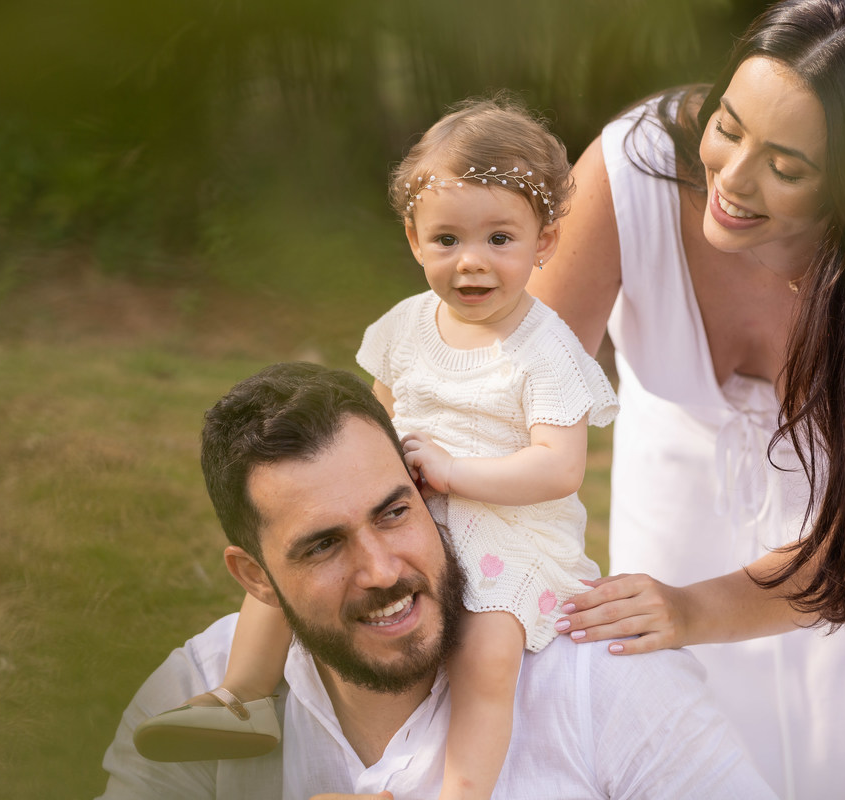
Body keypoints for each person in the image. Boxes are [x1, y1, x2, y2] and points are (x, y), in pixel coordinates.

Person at [529, 0, 845, 797]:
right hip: (677, 470)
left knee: (842, 726)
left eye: (787, 168)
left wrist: (694, 608)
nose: (730, 177)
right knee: (666, 714)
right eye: (728, 125)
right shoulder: (635, 172)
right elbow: (518, 387)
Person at [133, 97, 618, 799]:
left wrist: (454, 473)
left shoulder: (546, 351)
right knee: (289, 563)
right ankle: (242, 698)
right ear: (415, 239)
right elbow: (373, 424)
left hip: (507, 532)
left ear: (544, 242)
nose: (471, 263)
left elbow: (559, 468)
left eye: (499, 241)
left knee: (487, 657)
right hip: (405, 506)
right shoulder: (406, 325)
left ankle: (461, 790)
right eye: (447, 240)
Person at [96, 362, 775, 798]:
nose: (383, 570)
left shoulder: (608, 677)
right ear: (257, 578)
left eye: (394, 513)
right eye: (325, 545)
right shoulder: (194, 694)